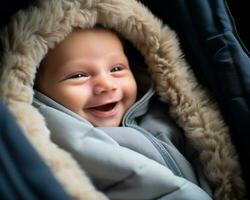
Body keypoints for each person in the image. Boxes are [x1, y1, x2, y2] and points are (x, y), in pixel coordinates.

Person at [33, 26, 212, 200]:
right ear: (36, 89)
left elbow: (205, 160)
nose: (107, 85)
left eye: (116, 69)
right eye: (78, 75)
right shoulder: (66, 141)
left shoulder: (162, 114)